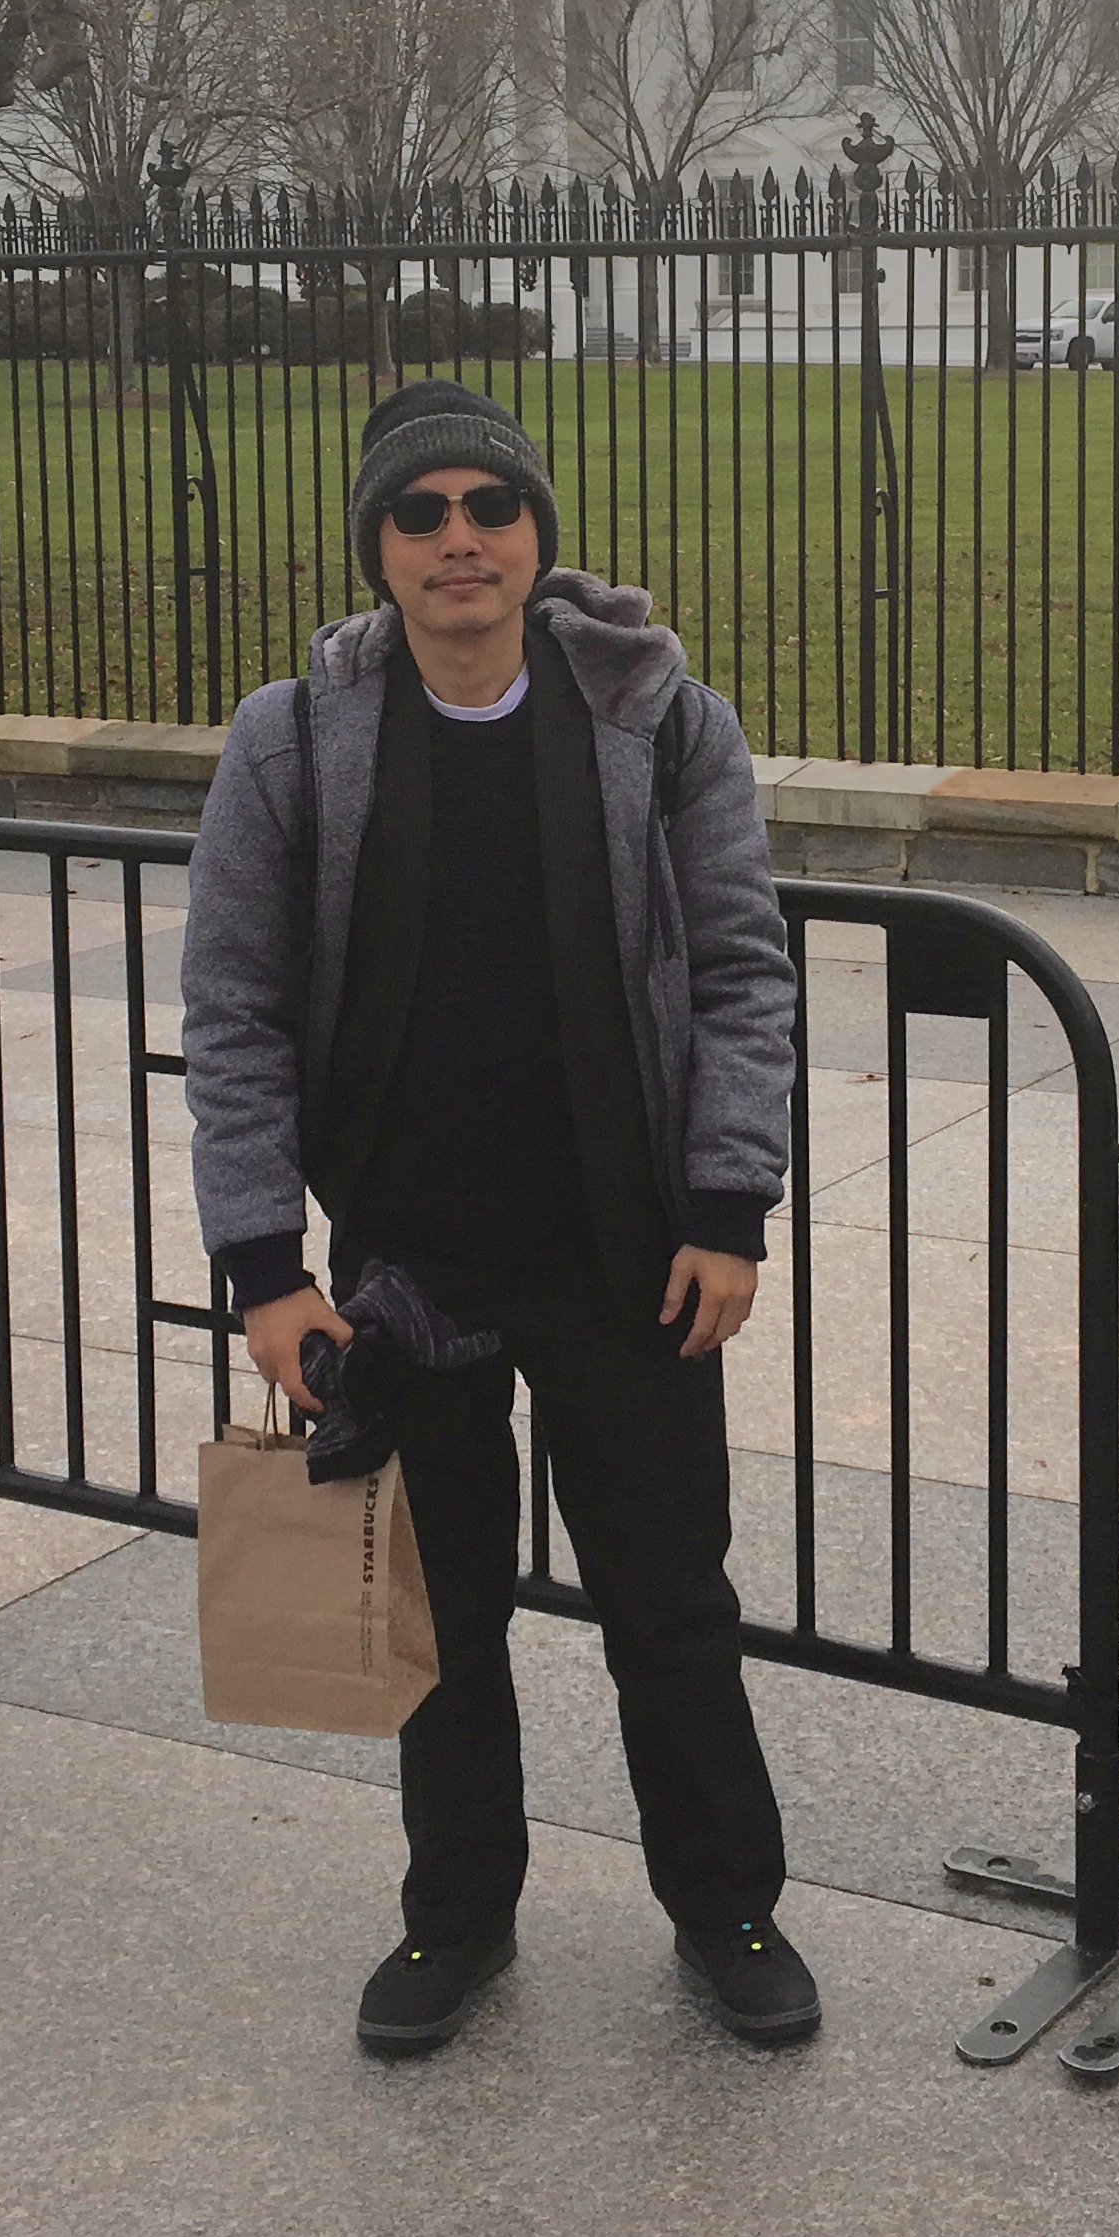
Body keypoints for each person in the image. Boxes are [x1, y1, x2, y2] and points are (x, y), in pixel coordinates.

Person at [183, 378, 813, 2057]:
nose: (459, 538)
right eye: (421, 512)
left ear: (538, 532)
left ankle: (730, 1909)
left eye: (491, 506)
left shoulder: (660, 718)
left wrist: (730, 1204)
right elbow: (234, 1008)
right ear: (378, 546)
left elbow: (744, 972)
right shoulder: (294, 739)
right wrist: (263, 1265)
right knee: (437, 1621)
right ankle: (455, 1916)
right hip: (405, 1272)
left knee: (670, 1610)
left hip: (630, 1258)